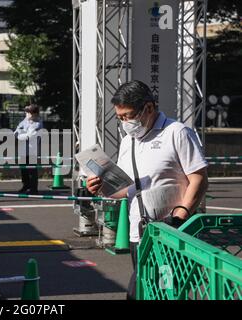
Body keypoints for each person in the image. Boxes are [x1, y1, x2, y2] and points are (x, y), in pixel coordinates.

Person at [85, 80, 208, 299]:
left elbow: (198, 178)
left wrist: (179, 217)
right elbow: (127, 189)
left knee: (165, 293)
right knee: (146, 291)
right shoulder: (128, 141)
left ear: (149, 108)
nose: (125, 123)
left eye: (128, 116)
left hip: (172, 235)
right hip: (139, 235)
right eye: (120, 118)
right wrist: (101, 188)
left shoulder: (177, 133)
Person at [14, 104, 43, 195]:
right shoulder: (25, 121)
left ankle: (33, 189)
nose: (26, 113)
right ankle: (26, 185)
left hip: (31, 151)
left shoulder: (37, 124)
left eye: (28, 112)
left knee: (32, 170)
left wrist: (21, 134)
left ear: (34, 114)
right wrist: (22, 133)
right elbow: (16, 131)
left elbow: (29, 136)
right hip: (22, 149)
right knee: (23, 169)